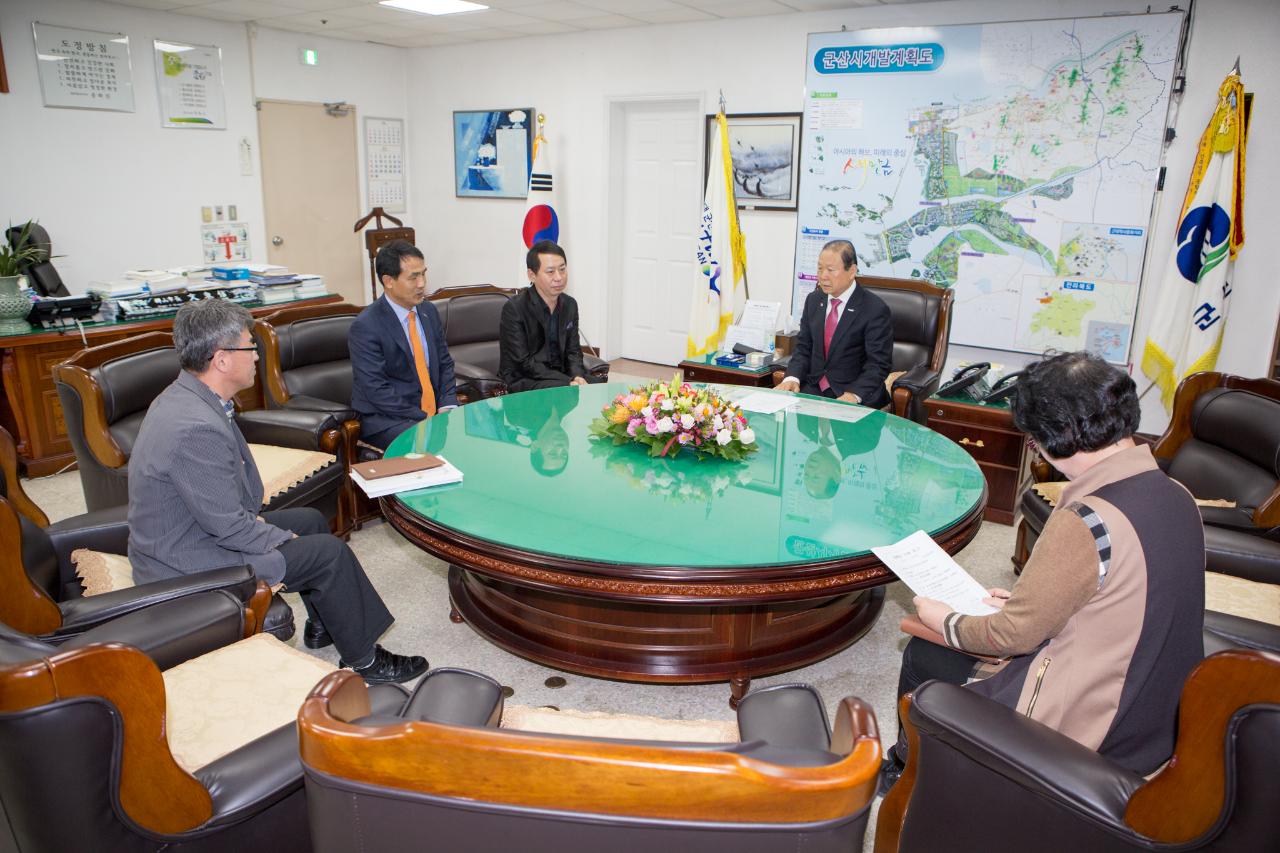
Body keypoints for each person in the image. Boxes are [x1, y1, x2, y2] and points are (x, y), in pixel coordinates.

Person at [885, 351, 1204, 788]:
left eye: (1034, 439)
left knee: (925, 652)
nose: (1035, 448)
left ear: (1061, 436)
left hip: (1098, 724)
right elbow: (1117, 592)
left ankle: (906, 773)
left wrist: (944, 618)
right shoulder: (1177, 494)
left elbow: (1010, 636)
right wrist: (1025, 601)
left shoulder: (1087, 519)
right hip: (1159, 713)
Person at [128, 299, 428, 684]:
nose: (256, 356)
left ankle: (325, 625)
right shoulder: (194, 428)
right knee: (328, 553)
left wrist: (289, 532)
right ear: (221, 359)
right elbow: (231, 529)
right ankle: (365, 663)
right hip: (187, 562)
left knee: (311, 520)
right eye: (249, 346)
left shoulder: (187, 396)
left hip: (192, 534)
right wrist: (284, 538)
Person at [350, 240, 458, 450]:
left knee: (466, 437)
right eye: (413, 277)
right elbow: (376, 390)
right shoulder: (366, 325)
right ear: (389, 281)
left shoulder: (428, 311)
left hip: (431, 411)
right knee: (426, 445)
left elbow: (445, 363)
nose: (422, 284)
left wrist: (447, 404)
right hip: (387, 418)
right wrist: (426, 417)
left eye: (423, 274)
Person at [777, 240, 893, 409]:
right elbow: (803, 348)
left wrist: (853, 395)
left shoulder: (874, 309)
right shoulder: (814, 300)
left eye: (830, 270)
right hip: (814, 390)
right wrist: (792, 378)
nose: (823, 276)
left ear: (852, 271)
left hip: (855, 394)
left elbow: (878, 364)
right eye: (819, 268)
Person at [499, 240, 592, 392]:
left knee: (600, 389)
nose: (559, 277)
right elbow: (523, 363)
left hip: (562, 376)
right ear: (532, 275)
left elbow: (573, 351)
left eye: (562, 269)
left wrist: (577, 376)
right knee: (564, 389)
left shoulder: (570, 304)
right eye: (550, 272)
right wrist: (566, 381)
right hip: (525, 378)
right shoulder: (515, 308)